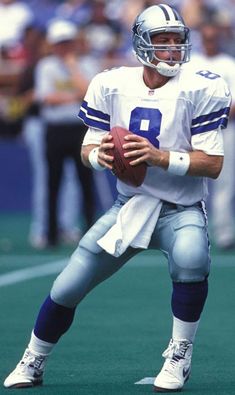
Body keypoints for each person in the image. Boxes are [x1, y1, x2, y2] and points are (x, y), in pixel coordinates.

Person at [3, 3, 231, 392]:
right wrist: (99, 155)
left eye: (178, 40)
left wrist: (160, 157)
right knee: (68, 284)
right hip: (131, 205)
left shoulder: (202, 86)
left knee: (193, 257)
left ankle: (180, 353)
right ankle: (35, 357)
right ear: (142, 44)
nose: (173, 49)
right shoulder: (111, 83)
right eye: (163, 41)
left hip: (181, 208)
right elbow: (88, 147)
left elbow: (211, 164)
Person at [34, 19, 96, 246]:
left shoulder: (86, 64)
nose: (65, 47)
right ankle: (51, 234)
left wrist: (72, 66)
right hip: (56, 130)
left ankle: (90, 230)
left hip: (80, 129)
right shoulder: (46, 66)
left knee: (86, 182)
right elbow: (46, 98)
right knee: (53, 182)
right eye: (60, 43)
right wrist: (73, 97)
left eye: (68, 42)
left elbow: (88, 93)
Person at [188, 20, 235, 249]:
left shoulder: (229, 64)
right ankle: (194, 233)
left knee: (225, 182)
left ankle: (224, 232)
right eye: (205, 38)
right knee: (194, 183)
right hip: (194, 132)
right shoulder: (191, 64)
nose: (209, 43)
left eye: (213, 38)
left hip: (224, 129)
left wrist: (209, 113)